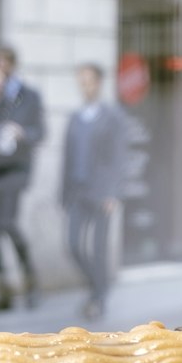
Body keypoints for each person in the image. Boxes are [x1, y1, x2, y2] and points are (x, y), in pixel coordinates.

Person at [0, 47, 45, 305]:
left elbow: (40, 132)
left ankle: (31, 283)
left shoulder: (28, 97)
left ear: (12, 66)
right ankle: (2, 293)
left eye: (3, 65)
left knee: (7, 224)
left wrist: (22, 133)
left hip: (15, 170)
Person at [61, 64, 129, 321]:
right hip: (78, 192)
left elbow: (120, 158)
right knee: (73, 244)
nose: (85, 85)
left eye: (89, 81)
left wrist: (113, 193)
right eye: (81, 81)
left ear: (99, 83)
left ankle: (99, 298)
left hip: (102, 194)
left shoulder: (112, 117)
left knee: (99, 248)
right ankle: (97, 287)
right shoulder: (76, 118)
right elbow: (67, 158)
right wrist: (64, 195)